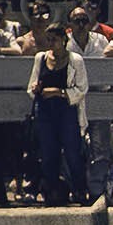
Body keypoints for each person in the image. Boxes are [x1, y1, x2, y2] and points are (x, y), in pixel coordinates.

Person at [25, 22, 88, 206]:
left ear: (64, 40)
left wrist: (59, 92)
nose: (51, 43)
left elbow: (82, 88)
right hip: (45, 112)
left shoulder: (75, 60)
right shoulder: (41, 58)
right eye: (49, 39)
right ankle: (51, 191)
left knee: (72, 153)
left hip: (66, 110)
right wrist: (36, 89)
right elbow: (31, 86)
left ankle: (79, 190)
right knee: (48, 153)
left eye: (55, 40)